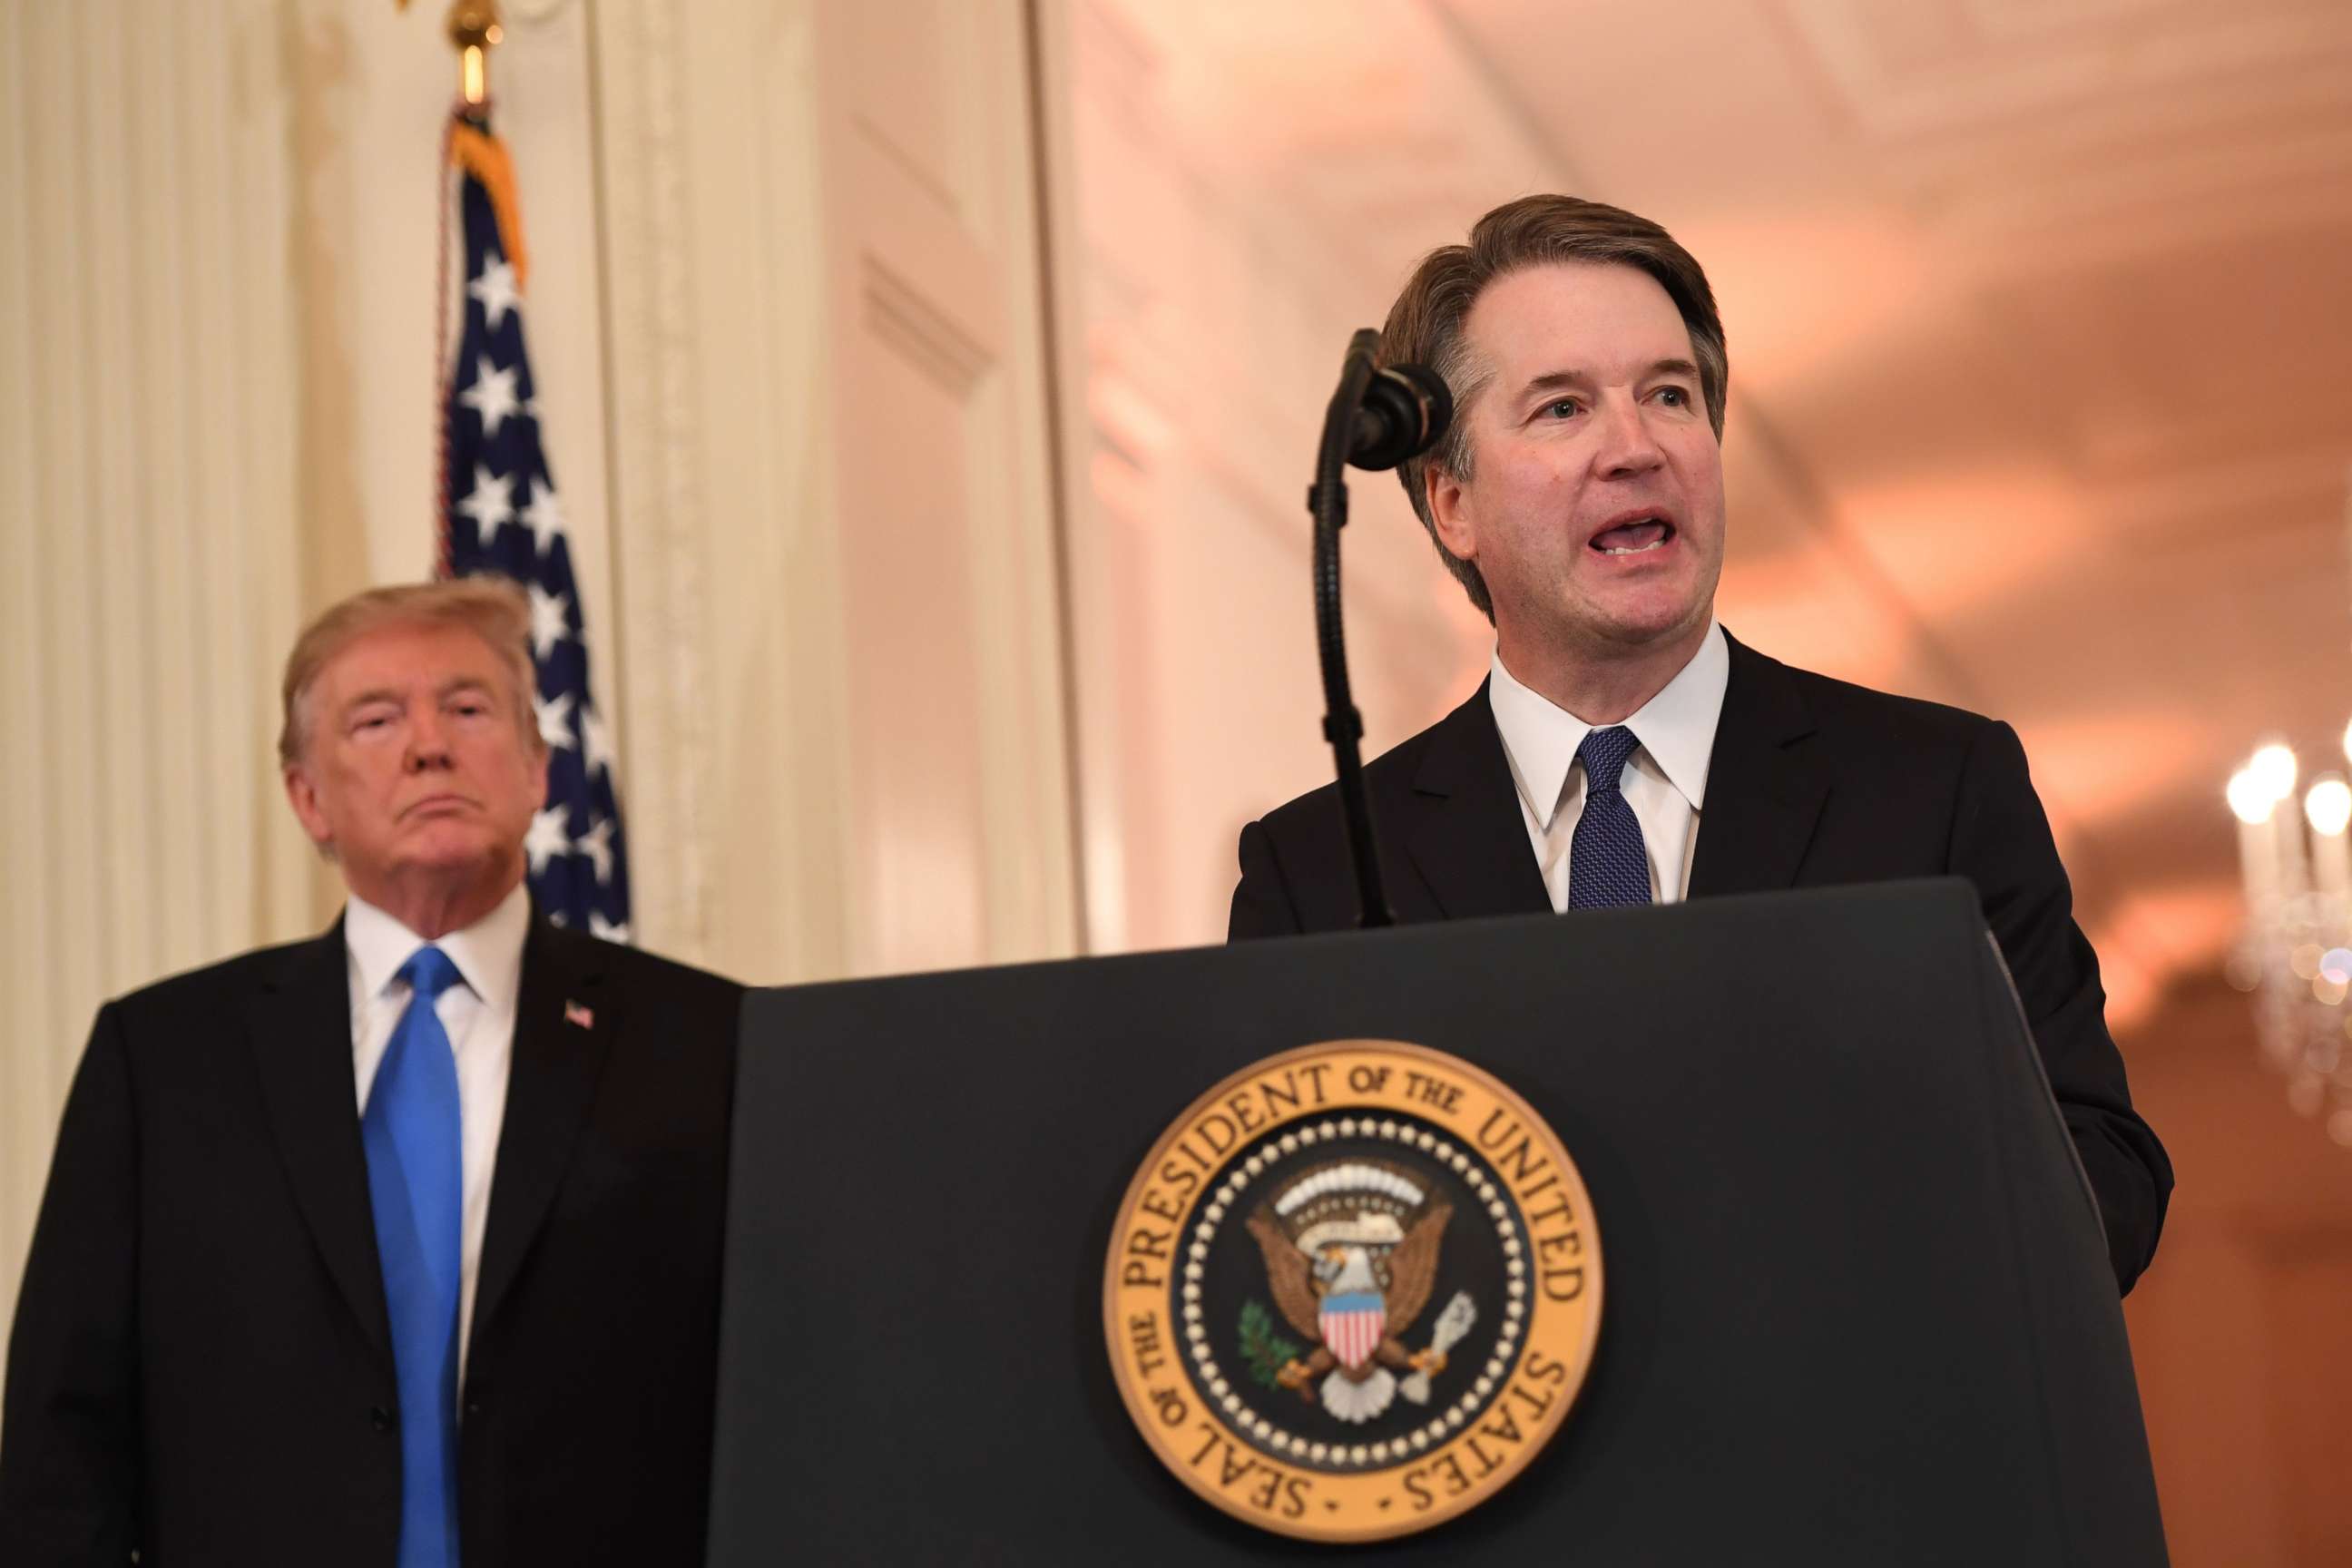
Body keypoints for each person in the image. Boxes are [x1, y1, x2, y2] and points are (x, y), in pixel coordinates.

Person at [1228, 195, 2171, 1293]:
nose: (1636, 447)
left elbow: (2106, 1180)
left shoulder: (1935, 785)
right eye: (1563, 408)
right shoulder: (1322, 868)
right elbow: (1291, 1230)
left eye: (1669, 396)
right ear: (1450, 503)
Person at [0, 579, 741, 1565]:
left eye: (469, 709)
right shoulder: (164, 1060)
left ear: (537, 770)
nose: (428, 743)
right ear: (309, 799)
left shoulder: (705, 1040)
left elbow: (783, 1397)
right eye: (377, 718)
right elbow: (62, 1442)